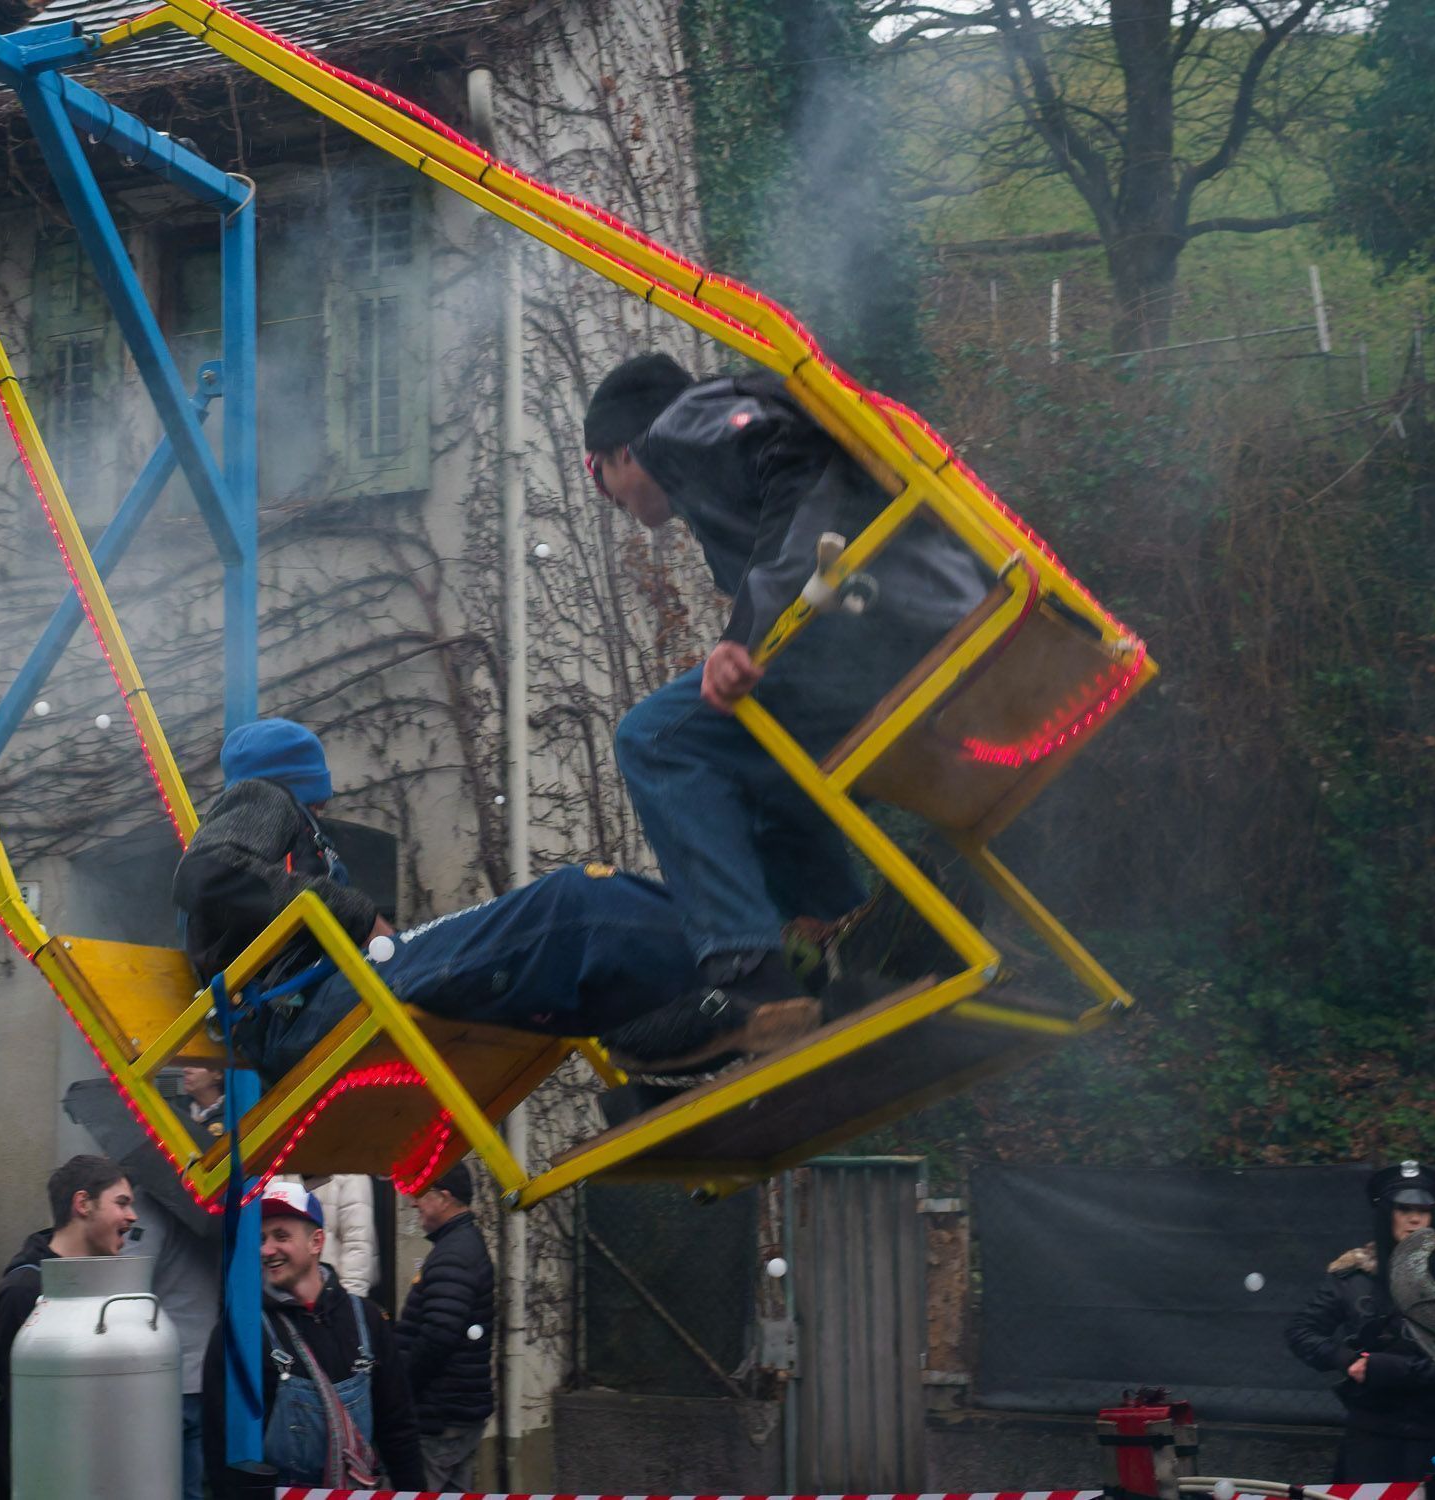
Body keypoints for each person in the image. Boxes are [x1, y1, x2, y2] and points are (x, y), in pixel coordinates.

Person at [585, 353, 990, 1044]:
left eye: (600, 478)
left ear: (624, 450)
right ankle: (852, 953)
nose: (612, 501)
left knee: (656, 737)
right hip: (917, 627)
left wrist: (745, 631)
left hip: (886, 628)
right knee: (762, 780)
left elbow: (804, 473)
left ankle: (747, 976)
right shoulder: (711, 473)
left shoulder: (682, 424)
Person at [171, 718, 802, 1082]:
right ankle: (751, 964)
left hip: (315, 1004)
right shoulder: (261, 798)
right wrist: (358, 912)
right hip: (299, 1010)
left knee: (560, 944)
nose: (323, 809)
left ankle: (689, 1020)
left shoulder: (286, 821)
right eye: (316, 796)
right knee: (573, 901)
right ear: (292, 781)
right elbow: (207, 874)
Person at [201, 1177, 424, 1493]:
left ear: (316, 1242)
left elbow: (398, 1428)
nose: (267, 1250)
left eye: (281, 1236)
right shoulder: (239, 1335)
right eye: (261, 1238)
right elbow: (223, 1454)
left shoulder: (367, 1320)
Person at [65, 1071, 225, 1500]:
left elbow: (127, 1284)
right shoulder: (211, 1205)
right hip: (203, 1372)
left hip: (162, 1375)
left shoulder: (149, 1208)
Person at [1285, 1161, 1435, 1481]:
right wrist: (1345, 1359)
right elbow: (1300, 1330)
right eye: (1404, 1208)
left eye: (1424, 1209)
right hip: (1373, 1440)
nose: (1415, 1218)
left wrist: (1377, 1367)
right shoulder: (1353, 1278)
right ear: (1386, 1212)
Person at [0, 1154, 138, 1499]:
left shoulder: (106, 1287)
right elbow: (3, 1412)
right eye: (122, 1203)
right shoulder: (23, 1292)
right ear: (82, 1204)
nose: (132, 1216)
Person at [396, 1162, 495, 1490]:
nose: (414, 1203)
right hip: (457, 1411)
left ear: (445, 1198)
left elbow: (438, 1335)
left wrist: (400, 1386)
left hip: (440, 1414)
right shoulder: (461, 1245)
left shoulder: (453, 1254)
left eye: (422, 1195)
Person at [307, 1173, 378, 1297]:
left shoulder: (351, 1175)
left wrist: (351, 1302)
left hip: (333, 1294)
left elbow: (357, 1246)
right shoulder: (278, 1168)